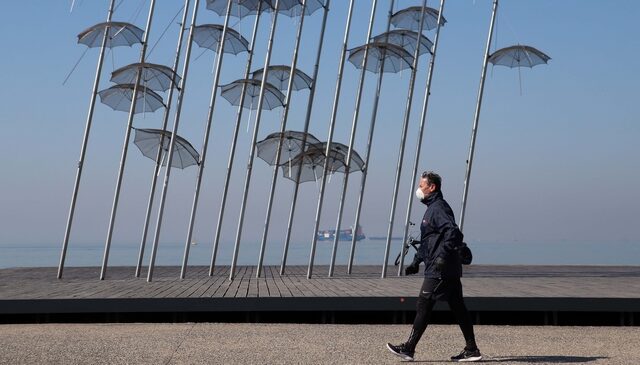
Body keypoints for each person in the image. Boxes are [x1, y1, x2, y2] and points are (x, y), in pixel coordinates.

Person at [386, 171, 482, 362]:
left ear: (432, 187)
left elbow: (453, 233)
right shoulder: (431, 209)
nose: (418, 189)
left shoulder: (438, 208)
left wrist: (441, 258)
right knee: (458, 308)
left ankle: (409, 348)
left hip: (440, 269)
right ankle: (472, 350)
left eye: (422, 185)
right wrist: (416, 262)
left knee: (424, 304)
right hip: (445, 269)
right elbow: (429, 241)